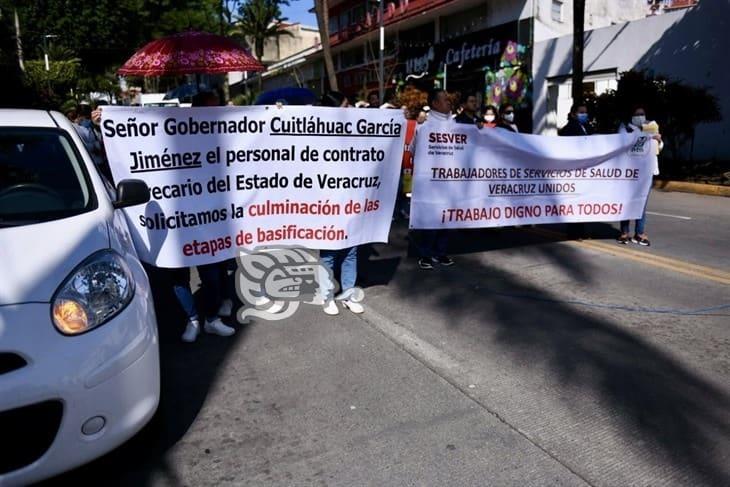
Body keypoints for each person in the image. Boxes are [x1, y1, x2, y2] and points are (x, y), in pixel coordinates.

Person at [175, 90, 236, 341]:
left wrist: (278, 114)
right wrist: (104, 124)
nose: (214, 112)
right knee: (177, 275)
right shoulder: (177, 132)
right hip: (177, 217)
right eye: (209, 108)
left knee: (211, 273)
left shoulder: (222, 131)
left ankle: (211, 318)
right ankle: (192, 320)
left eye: (217, 107)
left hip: (210, 219)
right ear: (196, 109)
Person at [318, 91, 363, 315]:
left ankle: (348, 293)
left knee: (351, 249)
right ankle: (326, 296)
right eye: (347, 104)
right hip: (326, 203)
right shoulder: (318, 134)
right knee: (329, 252)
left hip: (350, 200)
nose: (350, 109)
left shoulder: (353, 132)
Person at [411, 89, 455, 270]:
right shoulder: (424, 128)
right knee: (430, 219)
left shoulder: (456, 125)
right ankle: (426, 254)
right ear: (435, 103)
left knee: (447, 218)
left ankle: (441, 252)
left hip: (451, 180)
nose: (449, 102)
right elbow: (414, 150)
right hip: (431, 181)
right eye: (445, 99)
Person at [616, 105, 663, 246]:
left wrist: (658, 140)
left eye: (642, 114)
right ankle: (624, 232)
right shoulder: (625, 128)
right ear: (631, 116)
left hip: (647, 172)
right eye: (637, 114)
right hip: (630, 172)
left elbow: (658, 148)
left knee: (641, 203)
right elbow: (620, 144)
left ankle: (639, 233)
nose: (640, 117)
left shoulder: (651, 126)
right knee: (627, 202)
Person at [559, 102, 594, 239]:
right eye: (581, 112)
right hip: (574, 170)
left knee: (583, 200)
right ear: (573, 114)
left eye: (585, 112)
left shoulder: (587, 127)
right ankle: (573, 231)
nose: (584, 115)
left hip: (585, 169)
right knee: (574, 200)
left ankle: (581, 229)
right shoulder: (568, 129)